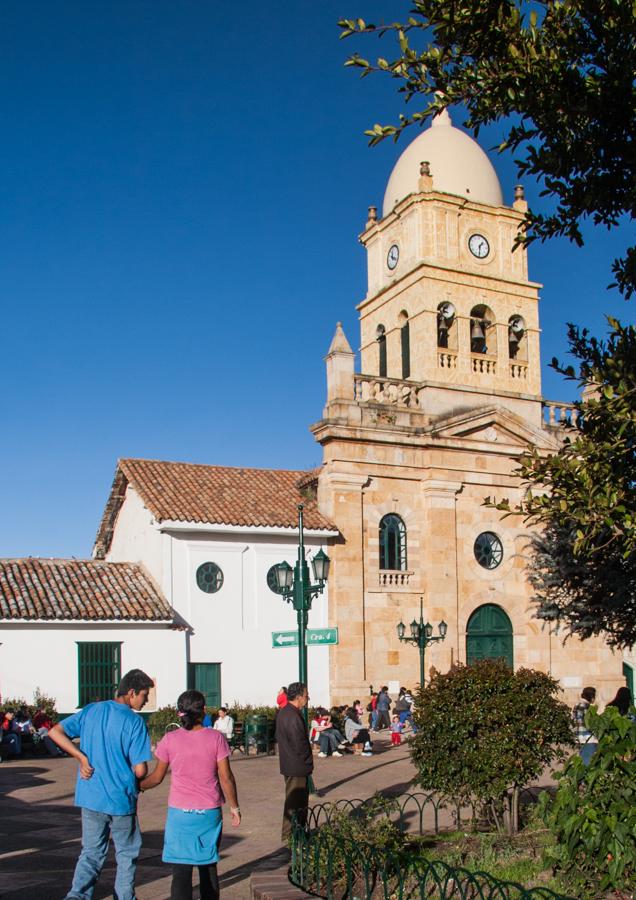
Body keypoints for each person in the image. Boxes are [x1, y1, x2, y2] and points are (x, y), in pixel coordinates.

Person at [48, 668, 155, 900]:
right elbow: (140, 769)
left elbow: (55, 732)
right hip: (121, 798)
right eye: (144, 695)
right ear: (132, 692)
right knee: (126, 853)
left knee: (91, 853)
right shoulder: (135, 722)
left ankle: (77, 896)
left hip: (91, 795)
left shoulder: (91, 711)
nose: (146, 700)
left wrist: (81, 757)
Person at [140, 690, 240, 900]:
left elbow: (157, 777)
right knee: (208, 867)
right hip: (209, 812)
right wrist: (234, 806)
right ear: (203, 711)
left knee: (181, 872)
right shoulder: (216, 738)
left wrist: (138, 786)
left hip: (180, 813)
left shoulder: (169, 739)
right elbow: (226, 777)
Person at [275, 681, 313, 840]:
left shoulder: (286, 712)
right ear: (298, 697)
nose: (308, 698)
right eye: (306, 695)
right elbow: (300, 743)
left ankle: (296, 833)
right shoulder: (292, 715)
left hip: (291, 763)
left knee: (297, 802)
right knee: (295, 803)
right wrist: (307, 760)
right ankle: (290, 836)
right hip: (296, 765)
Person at [572, 686, 597, 766]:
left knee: (579, 765)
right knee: (588, 765)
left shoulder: (576, 706)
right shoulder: (587, 707)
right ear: (591, 697)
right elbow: (590, 724)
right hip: (588, 739)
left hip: (578, 739)